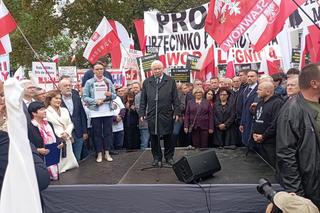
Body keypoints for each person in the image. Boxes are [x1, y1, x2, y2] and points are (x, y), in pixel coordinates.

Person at [276, 63, 320, 208]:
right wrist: (298, 197)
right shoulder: (292, 110)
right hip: (310, 189)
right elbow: (286, 156)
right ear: (314, 83)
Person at [0, 82, 49, 193]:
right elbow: (40, 179)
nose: (4, 102)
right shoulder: (6, 141)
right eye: (1, 95)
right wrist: (20, 138)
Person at [139, 60, 180, 167]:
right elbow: (143, 99)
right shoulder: (147, 82)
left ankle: (169, 157)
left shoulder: (170, 81)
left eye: (159, 68)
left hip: (166, 113)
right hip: (153, 114)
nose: (157, 71)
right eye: (155, 69)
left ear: (163, 69)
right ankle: (157, 158)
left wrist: (177, 112)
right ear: (151, 70)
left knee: (168, 136)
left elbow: (175, 98)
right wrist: (142, 112)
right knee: (154, 136)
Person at [83, 61, 116, 163]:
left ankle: (107, 152)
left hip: (107, 110)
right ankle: (99, 153)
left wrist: (110, 94)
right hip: (96, 111)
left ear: (104, 70)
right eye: (97, 69)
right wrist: (95, 101)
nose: (99, 71)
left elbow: (115, 95)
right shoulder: (89, 82)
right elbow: (84, 97)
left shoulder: (108, 81)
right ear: (93, 70)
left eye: (101, 69)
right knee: (97, 134)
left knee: (108, 133)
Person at [27, 101, 64, 180]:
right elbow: (26, 143)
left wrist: (60, 143)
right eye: (41, 109)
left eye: (44, 109)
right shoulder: (29, 127)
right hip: (39, 159)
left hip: (52, 157)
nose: (45, 111)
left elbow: (55, 137)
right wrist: (37, 150)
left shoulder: (49, 124)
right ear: (34, 113)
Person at [45, 90, 79, 173]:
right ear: (50, 100)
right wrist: (59, 135)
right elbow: (47, 127)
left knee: (69, 162)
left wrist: (67, 132)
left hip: (67, 137)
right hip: (55, 139)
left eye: (59, 98)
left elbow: (70, 123)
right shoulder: (46, 112)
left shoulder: (64, 110)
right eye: (56, 98)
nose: (58, 100)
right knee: (57, 165)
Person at [251, 82, 284, 167]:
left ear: (268, 92)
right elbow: (256, 120)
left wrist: (264, 136)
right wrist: (254, 134)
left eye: (259, 90)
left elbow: (275, 123)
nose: (257, 91)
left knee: (271, 168)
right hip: (258, 142)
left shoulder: (277, 103)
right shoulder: (260, 103)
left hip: (270, 144)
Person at [59, 76, 88, 161]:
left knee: (77, 157)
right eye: (65, 86)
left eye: (69, 85)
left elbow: (82, 114)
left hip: (78, 132)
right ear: (60, 88)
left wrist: (85, 131)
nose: (68, 87)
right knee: (67, 159)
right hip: (65, 134)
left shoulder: (76, 98)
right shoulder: (57, 100)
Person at [239, 70, 259, 147]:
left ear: (257, 77)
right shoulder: (245, 90)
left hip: (254, 122)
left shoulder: (259, 89)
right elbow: (244, 108)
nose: (249, 78)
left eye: (252, 76)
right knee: (246, 142)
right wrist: (242, 123)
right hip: (245, 121)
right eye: (248, 76)